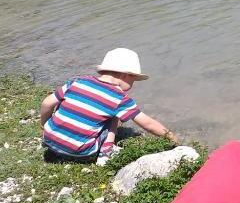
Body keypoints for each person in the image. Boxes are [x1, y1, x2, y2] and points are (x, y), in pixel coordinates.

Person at [39, 47, 179, 164]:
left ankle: (56, 132)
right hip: (80, 152)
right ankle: (106, 152)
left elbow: (47, 103)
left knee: (66, 103)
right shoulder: (118, 98)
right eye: (134, 79)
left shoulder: (77, 82)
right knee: (113, 116)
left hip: (49, 141)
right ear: (125, 75)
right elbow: (148, 124)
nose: (133, 84)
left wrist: (45, 125)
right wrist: (171, 137)